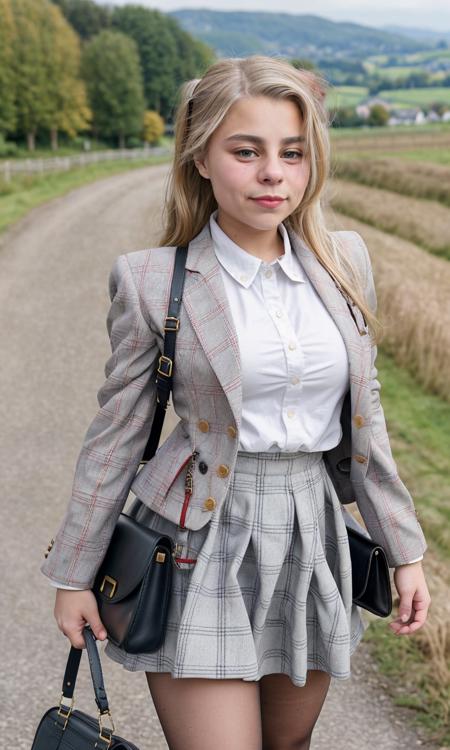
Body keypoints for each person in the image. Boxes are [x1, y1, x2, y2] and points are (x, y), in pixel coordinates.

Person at [41, 55, 431, 750]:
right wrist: (74, 575)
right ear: (201, 157)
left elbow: (367, 423)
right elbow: (117, 437)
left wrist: (404, 551)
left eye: (292, 152)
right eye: (246, 151)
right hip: (196, 541)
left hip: (311, 530)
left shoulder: (345, 262)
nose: (272, 173)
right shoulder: (152, 280)